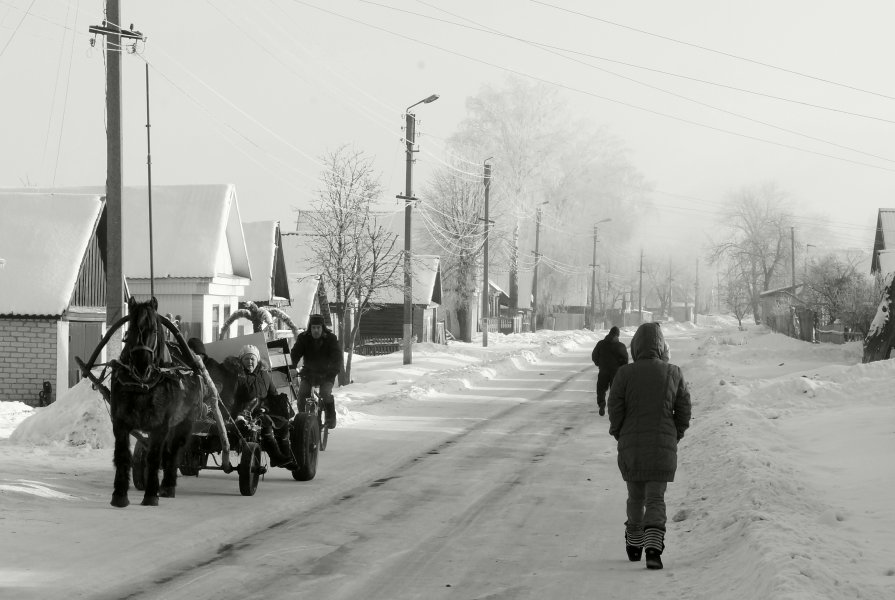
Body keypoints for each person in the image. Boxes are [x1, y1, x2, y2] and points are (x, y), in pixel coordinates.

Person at [608, 322, 691, 570]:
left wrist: (619, 432)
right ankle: (653, 549)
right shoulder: (673, 372)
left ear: (636, 346)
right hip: (661, 445)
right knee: (656, 498)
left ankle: (634, 545)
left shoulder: (624, 373)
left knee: (635, 496)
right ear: (661, 345)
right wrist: (674, 434)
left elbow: (615, 407)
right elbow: (684, 409)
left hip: (631, 445)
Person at [233, 344, 295, 467]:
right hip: (244, 410)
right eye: (246, 359)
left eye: (252, 358)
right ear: (241, 360)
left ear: (257, 360)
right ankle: (276, 456)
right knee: (265, 423)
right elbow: (232, 396)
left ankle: (286, 457)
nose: (250, 361)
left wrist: (268, 406)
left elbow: (273, 395)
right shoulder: (238, 375)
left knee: (282, 423)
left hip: (262, 408)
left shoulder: (264, 375)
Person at [290, 313, 344, 429]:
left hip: (327, 373)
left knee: (325, 394)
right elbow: (295, 354)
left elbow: (337, 358)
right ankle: (302, 421)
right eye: (313, 327)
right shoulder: (303, 338)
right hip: (309, 373)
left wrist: (333, 371)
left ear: (322, 327)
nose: (316, 330)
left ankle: (330, 418)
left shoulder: (331, 338)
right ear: (310, 327)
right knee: (302, 395)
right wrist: (292, 367)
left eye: (318, 327)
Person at [591, 326, 629, 416]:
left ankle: (601, 404)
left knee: (601, 389)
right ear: (617, 335)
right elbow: (625, 360)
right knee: (615, 391)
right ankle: (614, 409)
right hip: (616, 372)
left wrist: (599, 364)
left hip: (603, 370)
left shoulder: (601, 344)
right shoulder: (621, 346)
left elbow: (594, 355)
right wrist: (621, 368)